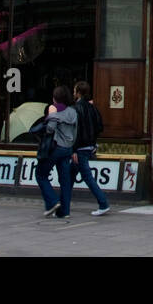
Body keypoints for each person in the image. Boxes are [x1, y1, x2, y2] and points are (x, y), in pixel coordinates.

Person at [35, 85, 78, 220]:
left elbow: (50, 129)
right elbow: (75, 131)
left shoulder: (54, 110)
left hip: (56, 147)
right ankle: (64, 211)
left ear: (55, 98)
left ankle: (53, 202)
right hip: (68, 148)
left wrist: (51, 113)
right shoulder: (72, 112)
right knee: (65, 180)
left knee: (41, 174)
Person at [72, 81, 111, 216]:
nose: (73, 93)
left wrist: (74, 150)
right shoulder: (92, 108)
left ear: (78, 92)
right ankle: (62, 203)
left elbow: (75, 131)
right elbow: (100, 126)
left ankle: (103, 203)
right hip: (90, 146)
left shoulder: (77, 108)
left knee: (87, 177)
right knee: (69, 176)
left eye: (74, 90)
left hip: (80, 149)